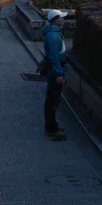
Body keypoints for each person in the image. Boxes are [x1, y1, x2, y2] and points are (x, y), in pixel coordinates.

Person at [40, 8, 69, 140]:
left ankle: (52, 126)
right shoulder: (53, 36)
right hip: (55, 72)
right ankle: (51, 129)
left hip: (54, 70)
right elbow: (53, 57)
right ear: (56, 20)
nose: (63, 19)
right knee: (53, 101)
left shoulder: (53, 33)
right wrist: (59, 74)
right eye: (61, 17)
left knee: (52, 100)